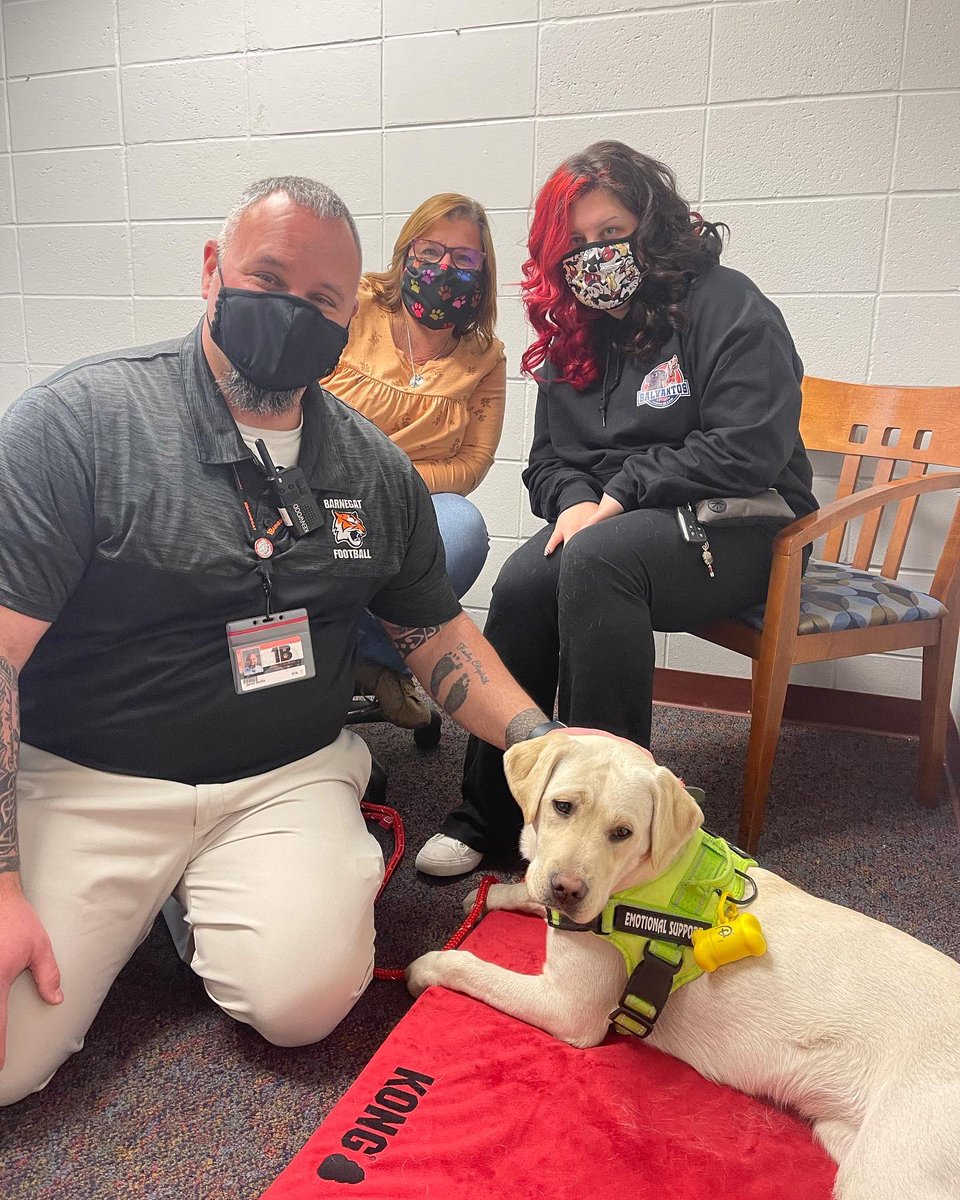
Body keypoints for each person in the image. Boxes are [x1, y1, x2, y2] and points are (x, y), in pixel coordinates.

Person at [0, 176, 565, 1107]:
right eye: (269, 277)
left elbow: (431, 629)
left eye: (321, 302)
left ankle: (193, 896)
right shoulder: (79, 424)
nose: (292, 313)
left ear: (350, 319)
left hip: (281, 774)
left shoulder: (375, 469)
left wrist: (542, 740)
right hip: (90, 775)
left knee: (303, 1006)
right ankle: (147, 888)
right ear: (213, 271)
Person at [417, 141, 818, 877]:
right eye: (577, 244)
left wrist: (620, 491)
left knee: (599, 561)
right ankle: (490, 815)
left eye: (611, 234)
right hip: (619, 524)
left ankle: (618, 837)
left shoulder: (728, 306)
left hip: (744, 525)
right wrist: (574, 501)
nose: (595, 255)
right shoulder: (575, 335)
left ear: (652, 224)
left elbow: (750, 448)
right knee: (523, 584)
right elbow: (547, 463)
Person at [323, 193, 506, 732]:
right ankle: (345, 670)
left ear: (484, 271)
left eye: (464, 259)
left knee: (464, 527)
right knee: (343, 552)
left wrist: (396, 484)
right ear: (405, 254)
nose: (445, 268)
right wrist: (356, 483)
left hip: (413, 502)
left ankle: (371, 664)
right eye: (431, 251)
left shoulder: (485, 357)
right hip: (329, 489)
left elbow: (473, 462)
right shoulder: (356, 307)